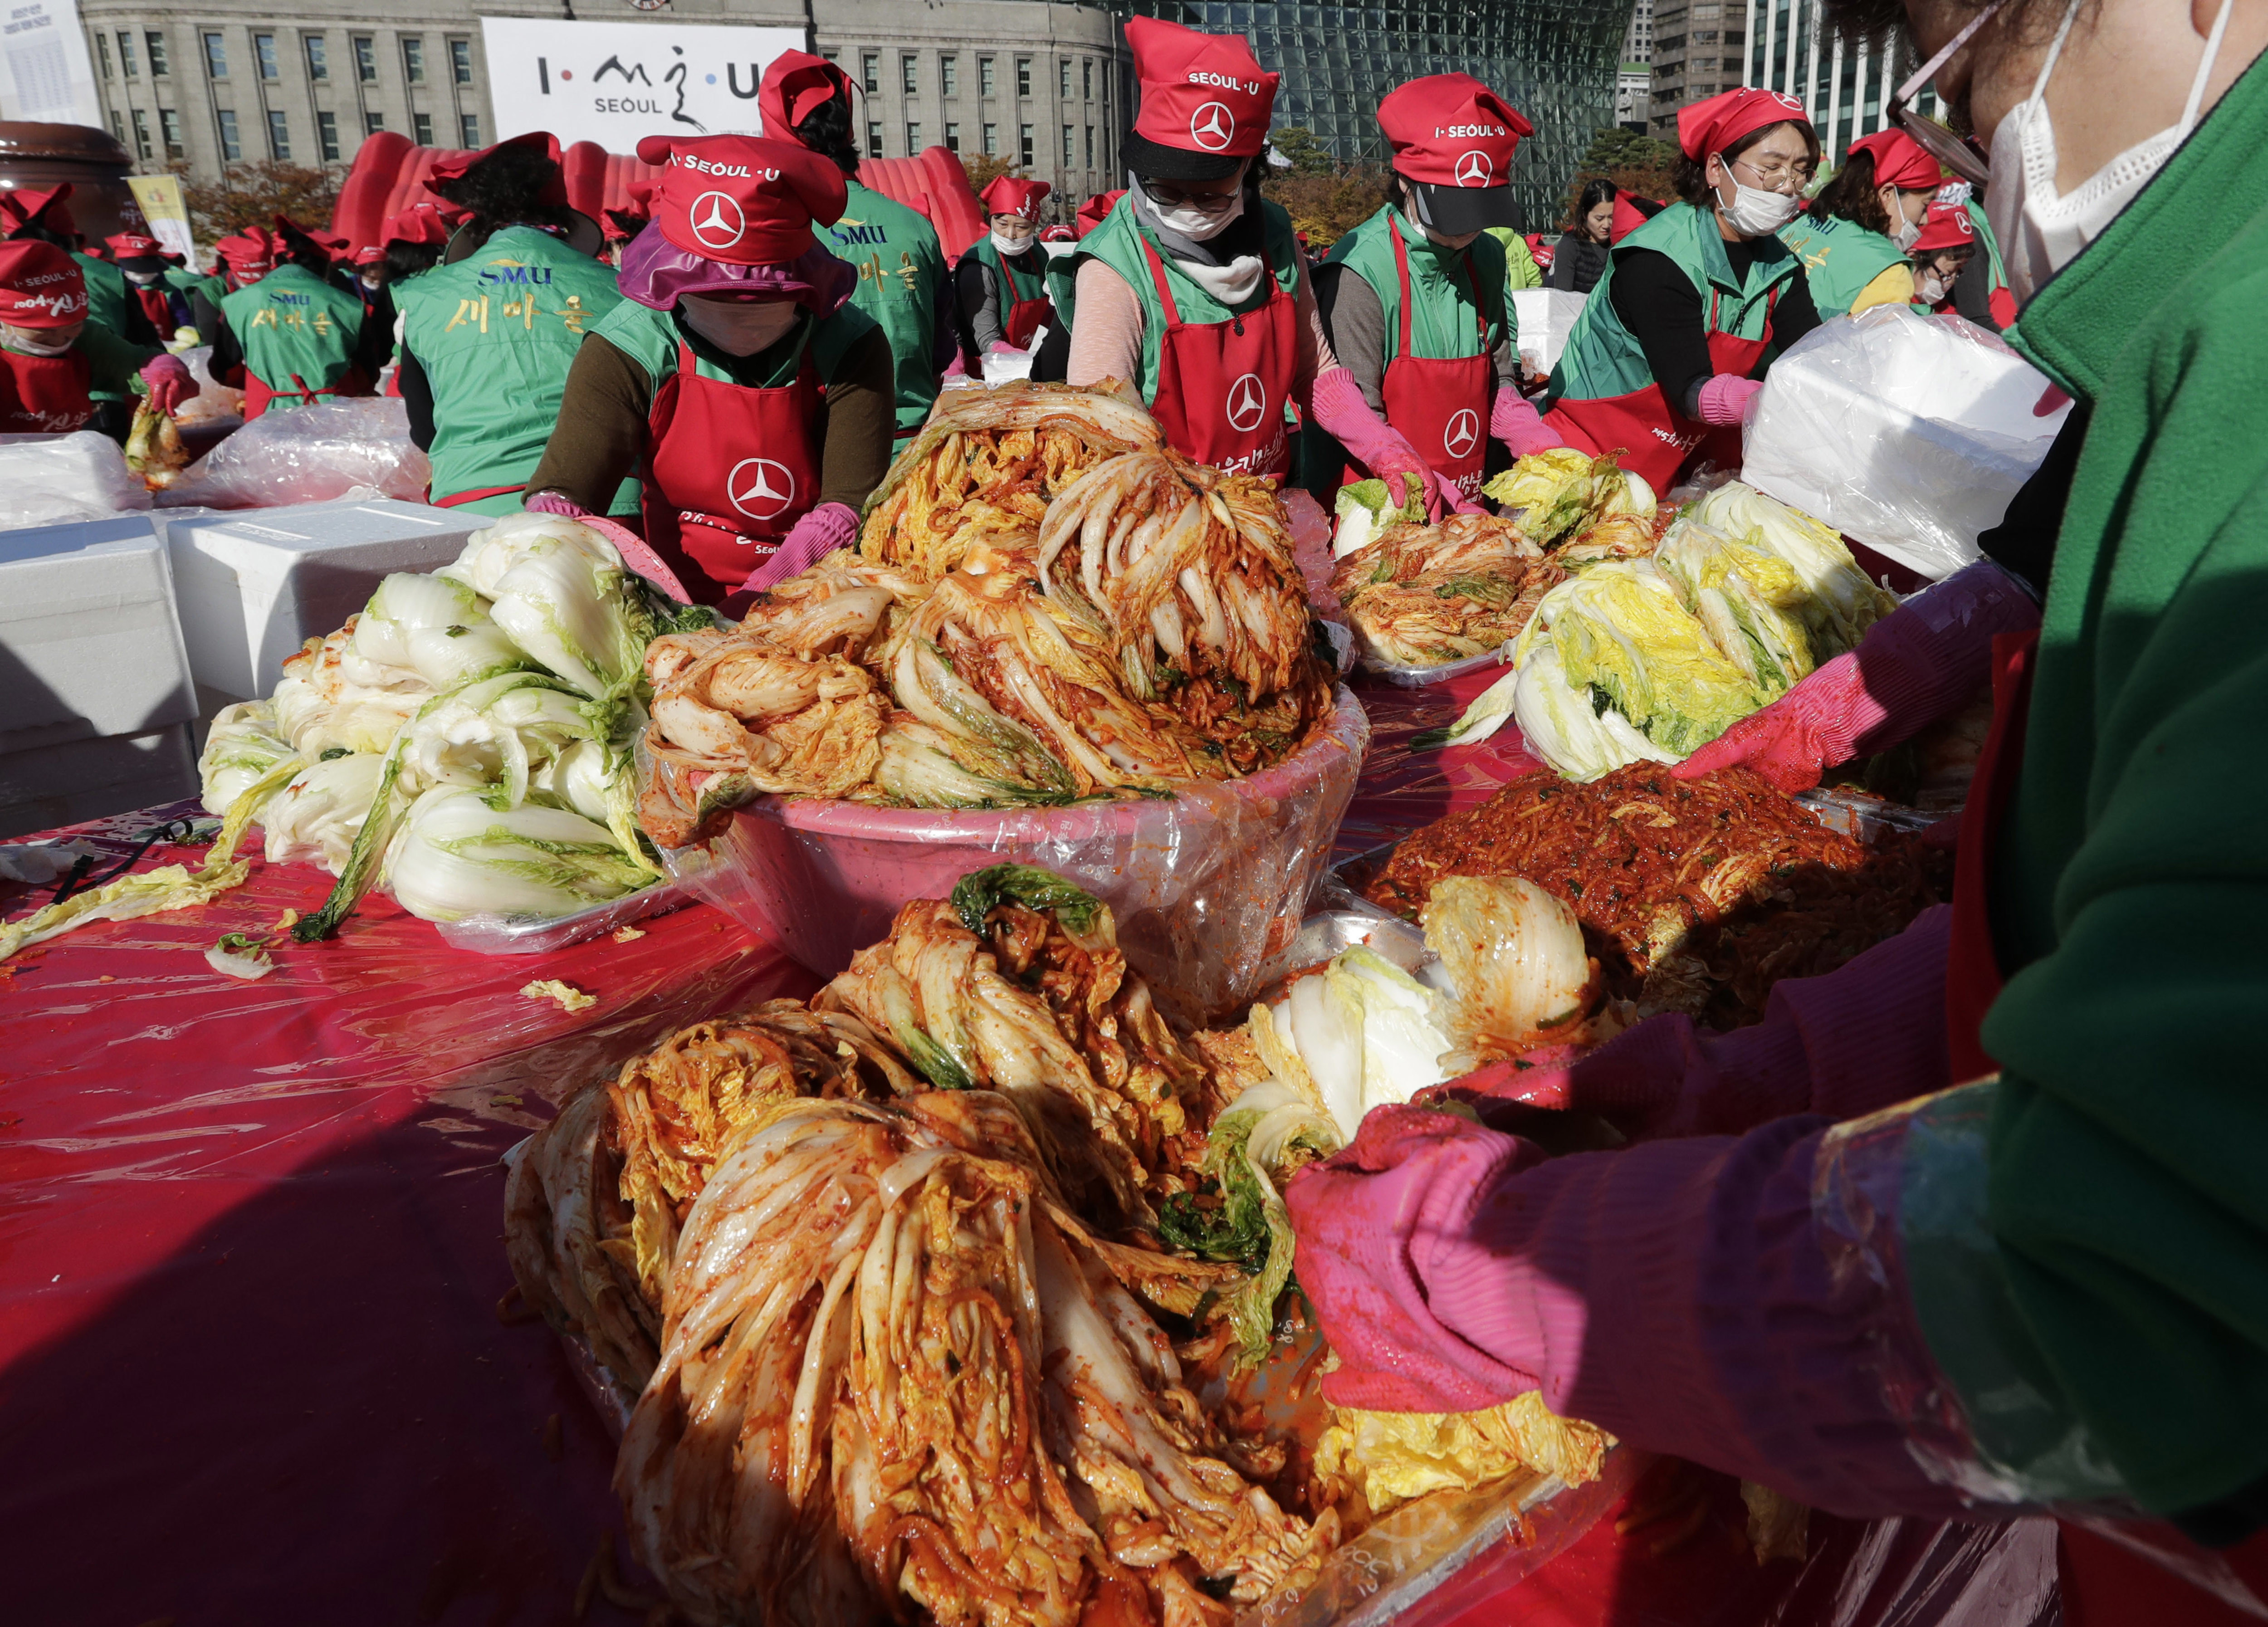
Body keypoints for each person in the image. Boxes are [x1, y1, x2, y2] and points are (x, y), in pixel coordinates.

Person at [1289, 0, 2268, 1617]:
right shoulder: (2197, 315)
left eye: (1983, 73)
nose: (1969, 152)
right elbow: (2152, 946)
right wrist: (1789, 1063)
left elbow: (2132, 1282)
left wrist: (1528, 1273)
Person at [524, 134, 893, 606]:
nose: (738, 322)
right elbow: (568, 490)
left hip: (815, 594)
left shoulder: (851, 347)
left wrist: (761, 597)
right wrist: (551, 527)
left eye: (761, 305)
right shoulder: (629, 348)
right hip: (671, 597)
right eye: (712, 301)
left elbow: (848, 502)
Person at [1049, 16, 1341, 479]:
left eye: (1209, 193)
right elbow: (1098, 431)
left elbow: (1315, 368)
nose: (1187, 207)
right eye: (1164, 189)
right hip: (1164, 520)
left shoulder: (1275, 235)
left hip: (1269, 502)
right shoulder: (1114, 266)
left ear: (1249, 171)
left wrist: (1378, 441)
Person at [1540, 88, 1823, 493]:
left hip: (1677, 462)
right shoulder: (1660, 257)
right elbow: (1692, 390)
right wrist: (1773, 401)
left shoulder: (1782, 268)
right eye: (1772, 167)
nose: (1787, 186)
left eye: (1801, 171)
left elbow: (1812, 359)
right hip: (1588, 458)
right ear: (1715, 169)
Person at [1306, 73, 1563, 515]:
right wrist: (1439, 495)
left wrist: (1529, 435)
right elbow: (1357, 418)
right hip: (1381, 508)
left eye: (1479, 212)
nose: (1467, 229)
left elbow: (1496, 379)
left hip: (1468, 490)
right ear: (1405, 181)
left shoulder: (1486, 256)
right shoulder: (1360, 272)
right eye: (1453, 210)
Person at [394, 132, 635, 518]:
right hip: (608, 504)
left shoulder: (425, 296)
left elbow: (425, 432)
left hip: (474, 509)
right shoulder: (623, 289)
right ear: (565, 221)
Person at [760, 50, 952, 442]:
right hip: (915, 451)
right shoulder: (916, 226)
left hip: (821, 457)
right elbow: (941, 352)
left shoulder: (776, 233)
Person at [0, 240, 193, 434]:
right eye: (45, 333)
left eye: (74, 327)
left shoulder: (87, 340)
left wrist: (162, 368)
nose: (60, 340)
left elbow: (130, 361)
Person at [208, 217, 385, 417]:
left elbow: (223, 368)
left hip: (267, 417)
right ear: (325, 265)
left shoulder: (238, 303)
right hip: (334, 416)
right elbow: (367, 374)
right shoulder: (348, 305)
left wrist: (260, 382)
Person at [1778, 128, 1944, 316]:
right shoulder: (1888, 272)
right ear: (1888, 195)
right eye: (1925, 205)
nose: (1925, 219)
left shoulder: (1805, 222)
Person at [957, 175, 1056, 374]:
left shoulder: (1037, 254)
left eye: (1021, 227)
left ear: (1035, 226)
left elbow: (1043, 309)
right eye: (1002, 224)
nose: (1010, 235)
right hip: (981, 368)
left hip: (1016, 362)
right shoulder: (978, 266)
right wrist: (1015, 359)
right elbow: (987, 339)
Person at [1906, 195, 2012, 330]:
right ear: (1915, 257)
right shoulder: (1886, 297)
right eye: (1948, 273)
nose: (1950, 282)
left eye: (1959, 272)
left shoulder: (1947, 314)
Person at [108, 232, 193, 340]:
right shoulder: (115, 290)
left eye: (147, 269)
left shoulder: (168, 290)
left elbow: (182, 315)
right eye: (138, 270)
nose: (143, 274)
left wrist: (187, 331)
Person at [1549, 179, 1618, 293]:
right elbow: (1562, 297)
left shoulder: (1621, 243)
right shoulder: (1570, 245)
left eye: (1611, 217)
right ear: (1585, 214)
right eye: (1599, 219)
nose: (1606, 225)